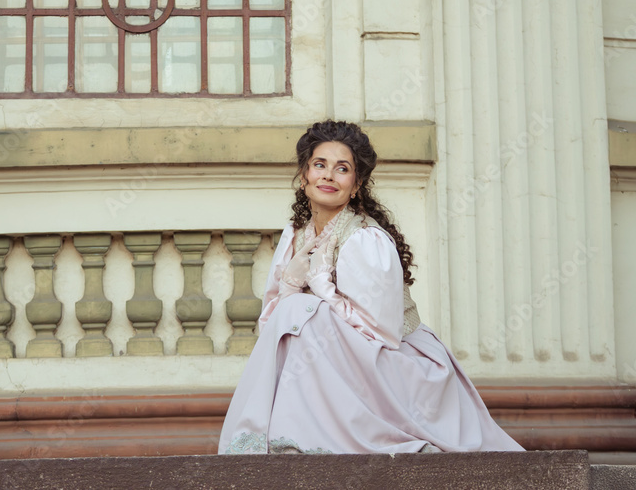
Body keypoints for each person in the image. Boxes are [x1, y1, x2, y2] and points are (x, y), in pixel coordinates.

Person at [219, 120, 524, 454]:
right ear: (303, 176)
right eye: (319, 165)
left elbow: (384, 334)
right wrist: (291, 284)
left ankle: (320, 438)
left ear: (356, 185)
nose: (328, 176)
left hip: (398, 365)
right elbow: (273, 332)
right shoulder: (296, 235)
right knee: (295, 312)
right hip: (341, 363)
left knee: (303, 311)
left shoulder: (364, 238)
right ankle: (284, 437)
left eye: (342, 169)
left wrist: (322, 288)